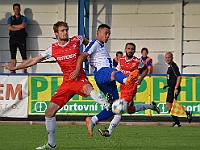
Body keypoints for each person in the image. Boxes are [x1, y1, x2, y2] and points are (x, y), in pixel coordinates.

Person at [2, 21, 112, 149]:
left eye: (66, 30)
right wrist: (15, 67)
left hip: (79, 77)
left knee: (88, 88)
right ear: (56, 33)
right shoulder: (53, 49)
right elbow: (33, 60)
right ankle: (51, 144)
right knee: (49, 112)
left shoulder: (77, 39)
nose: (65, 32)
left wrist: (92, 57)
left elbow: (88, 42)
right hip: (66, 83)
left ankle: (107, 104)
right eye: (62, 31)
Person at [70, 24, 155, 137]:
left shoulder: (99, 46)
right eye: (106, 33)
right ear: (98, 33)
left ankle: (93, 120)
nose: (108, 36)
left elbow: (87, 45)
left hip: (108, 80)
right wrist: (77, 70)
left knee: (115, 108)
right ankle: (126, 80)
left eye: (109, 34)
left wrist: (83, 39)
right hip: (102, 73)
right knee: (115, 73)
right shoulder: (95, 43)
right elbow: (83, 56)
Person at [98, 43, 160, 137]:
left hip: (131, 90)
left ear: (134, 51)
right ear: (125, 49)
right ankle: (151, 106)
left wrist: (140, 79)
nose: (130, 50)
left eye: (132, 49)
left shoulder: (137, 61)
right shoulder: (121, 60)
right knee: (131, 110)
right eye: (128, 48)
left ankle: (108, 131)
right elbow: (116, 71)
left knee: (119, 109)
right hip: (123, 88)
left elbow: (145, 70)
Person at [162, 52, 192, 127]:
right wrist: (167, 85)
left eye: (169, 57)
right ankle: (180, 119)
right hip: (171, 87)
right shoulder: (170, 66)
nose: (167, 59)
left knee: (169, 106)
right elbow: (173, 78)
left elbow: (179, 77)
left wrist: (176, 88)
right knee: (171, 106)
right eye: (166, 57)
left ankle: (179, 121)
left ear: (172, 58)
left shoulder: (173, 66)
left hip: (173, 88)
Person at [7, 3, 28, 73]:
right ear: (13, 10)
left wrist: (14, 27)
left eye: (18, 8)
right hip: (13, 39)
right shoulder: (10, 18)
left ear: (20, 9)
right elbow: (9, 27)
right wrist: (17, 27)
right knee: (13, 55)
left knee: (24, 56)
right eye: (15, 9)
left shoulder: (24, 18)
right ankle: (13, 70)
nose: (17, 10)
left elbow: (23, 26)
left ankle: (25, 70)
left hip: (21, 39)